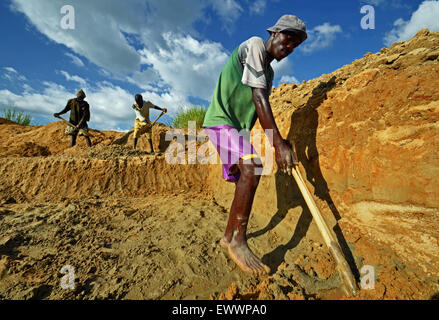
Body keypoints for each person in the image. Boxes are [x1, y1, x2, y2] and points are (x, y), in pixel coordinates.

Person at [202, 15, 307, 274]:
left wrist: (282, 141)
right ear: (275, 32)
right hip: (219, 121)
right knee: (253, 167)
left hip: (236, 131)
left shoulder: (268, 73)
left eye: (295, 45)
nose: (290, 47)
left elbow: (259, 110)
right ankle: (238, 240)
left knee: (245, 177)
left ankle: (228, 235)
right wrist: (277, 144)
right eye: (288, 39)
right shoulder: (254, 45)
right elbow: (259, 99)